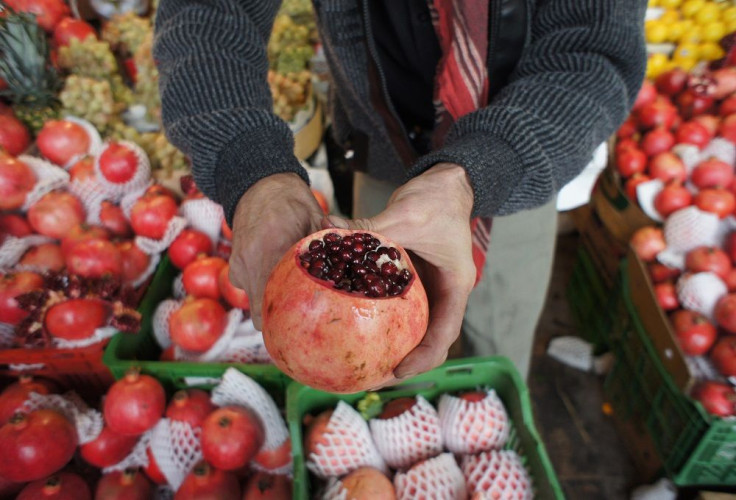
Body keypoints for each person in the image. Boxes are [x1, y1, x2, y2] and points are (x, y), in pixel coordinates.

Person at [154, 0, 647, 382]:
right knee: (389, 367)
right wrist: (251, 169)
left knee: (497, 340)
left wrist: (478, 171)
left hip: (523, 164)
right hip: (383, 154)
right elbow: (212, 10)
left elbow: (593, 49)